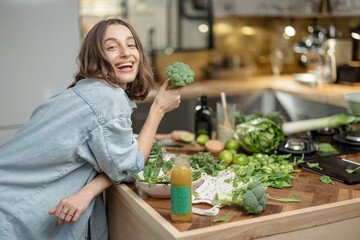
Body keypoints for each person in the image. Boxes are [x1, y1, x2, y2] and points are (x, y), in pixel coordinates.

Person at [0, 18, 184, 240]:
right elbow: (129, 166)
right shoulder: (108, 98)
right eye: (112, 47)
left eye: (131, 44)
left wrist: (89, 190)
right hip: (10, 211)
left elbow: (110, 157)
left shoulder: (82, 92)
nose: (126, 53)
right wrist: (158, 109)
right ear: (96, 57)